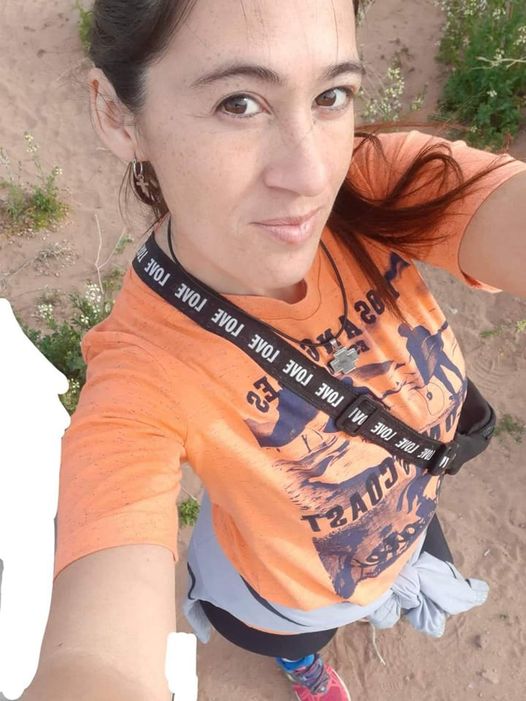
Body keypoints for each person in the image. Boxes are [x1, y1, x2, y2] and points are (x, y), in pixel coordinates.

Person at [25, 1, 526, 700]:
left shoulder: (375, 183)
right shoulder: (141, 372)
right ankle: (302, 666)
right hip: (281, 599)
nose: (313, 174)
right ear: (117, 114)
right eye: (239, 102)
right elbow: (98, 661)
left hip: (403, 523)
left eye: (331, 96)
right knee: (300, 641)